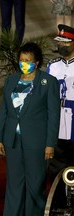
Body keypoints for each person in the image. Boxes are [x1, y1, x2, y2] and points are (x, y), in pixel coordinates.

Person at [0, 42, 60, 215]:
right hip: (13, 141)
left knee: (35, 185)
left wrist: (50, 144)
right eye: (22, 60)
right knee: (14, 184)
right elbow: (5, 111)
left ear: (36, 62)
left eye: (28, 60)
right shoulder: (12, 80)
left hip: (36, 143)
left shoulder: (48, 82)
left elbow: (54, 115)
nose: (24, 63)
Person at [47, 25, 74, 183]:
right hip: (57, 123)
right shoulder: (53, 65)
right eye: (60, 42)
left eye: (66, 42)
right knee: (56, 167)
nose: (61, 45)